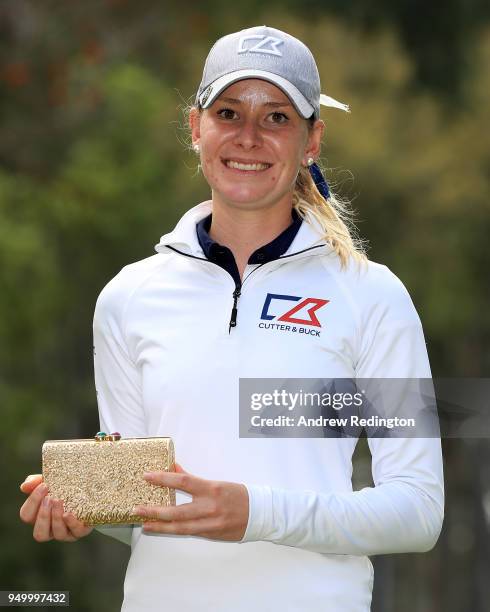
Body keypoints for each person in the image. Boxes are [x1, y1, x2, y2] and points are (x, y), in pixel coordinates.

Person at [20, 25, 444, 612]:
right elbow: (147, 510)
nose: (248, 137)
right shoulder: (128, 296)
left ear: (312, 140)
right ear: (196, 127)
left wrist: (257, 513)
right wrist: (87, 508)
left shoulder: (372, 297)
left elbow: (418, 511)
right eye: (228, 112)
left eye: (276, 118)